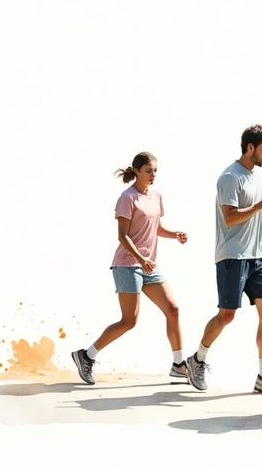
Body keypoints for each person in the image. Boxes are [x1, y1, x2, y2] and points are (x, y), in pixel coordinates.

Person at [71, 152, 189, 385]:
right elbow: (123, 236)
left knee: (173, 309)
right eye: (148, 171)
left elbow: (155, 228)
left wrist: (174, 235)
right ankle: (86, 356)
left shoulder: (156, 196)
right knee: (129, 321)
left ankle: (178, 364)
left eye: (155, 170)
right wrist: (140, 259)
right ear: (136, 171)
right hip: (127, 264)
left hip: (148, 265)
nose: (153, 175)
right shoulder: (127, 198)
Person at [183, 125, 262, 392]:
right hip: (232, 256)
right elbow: (230, 217)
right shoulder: (229, 177)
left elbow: (254, 211)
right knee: (227, 315)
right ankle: (197, 359)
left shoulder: (257, 176)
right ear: (250, 147)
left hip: (258, 256)